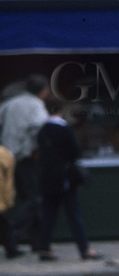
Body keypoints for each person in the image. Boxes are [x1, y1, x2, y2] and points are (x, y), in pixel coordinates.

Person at [34, 98, 98, 262]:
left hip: (48, 178)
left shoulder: (43, 130)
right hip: (64, 178)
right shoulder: (64, 129)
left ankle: (44, 248)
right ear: (61, 110)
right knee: (73, 214)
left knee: (48, 213)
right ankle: (84, 248)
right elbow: (76, 152)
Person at [0, 74, 50, 257]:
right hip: (25, 156)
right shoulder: (35, 105)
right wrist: (36, 147)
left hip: (7, 156)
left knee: (23, 198)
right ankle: (13, 231)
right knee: (33, 198)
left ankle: (35, 243)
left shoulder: (11, 103)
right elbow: (40, 126)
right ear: (42, 91)